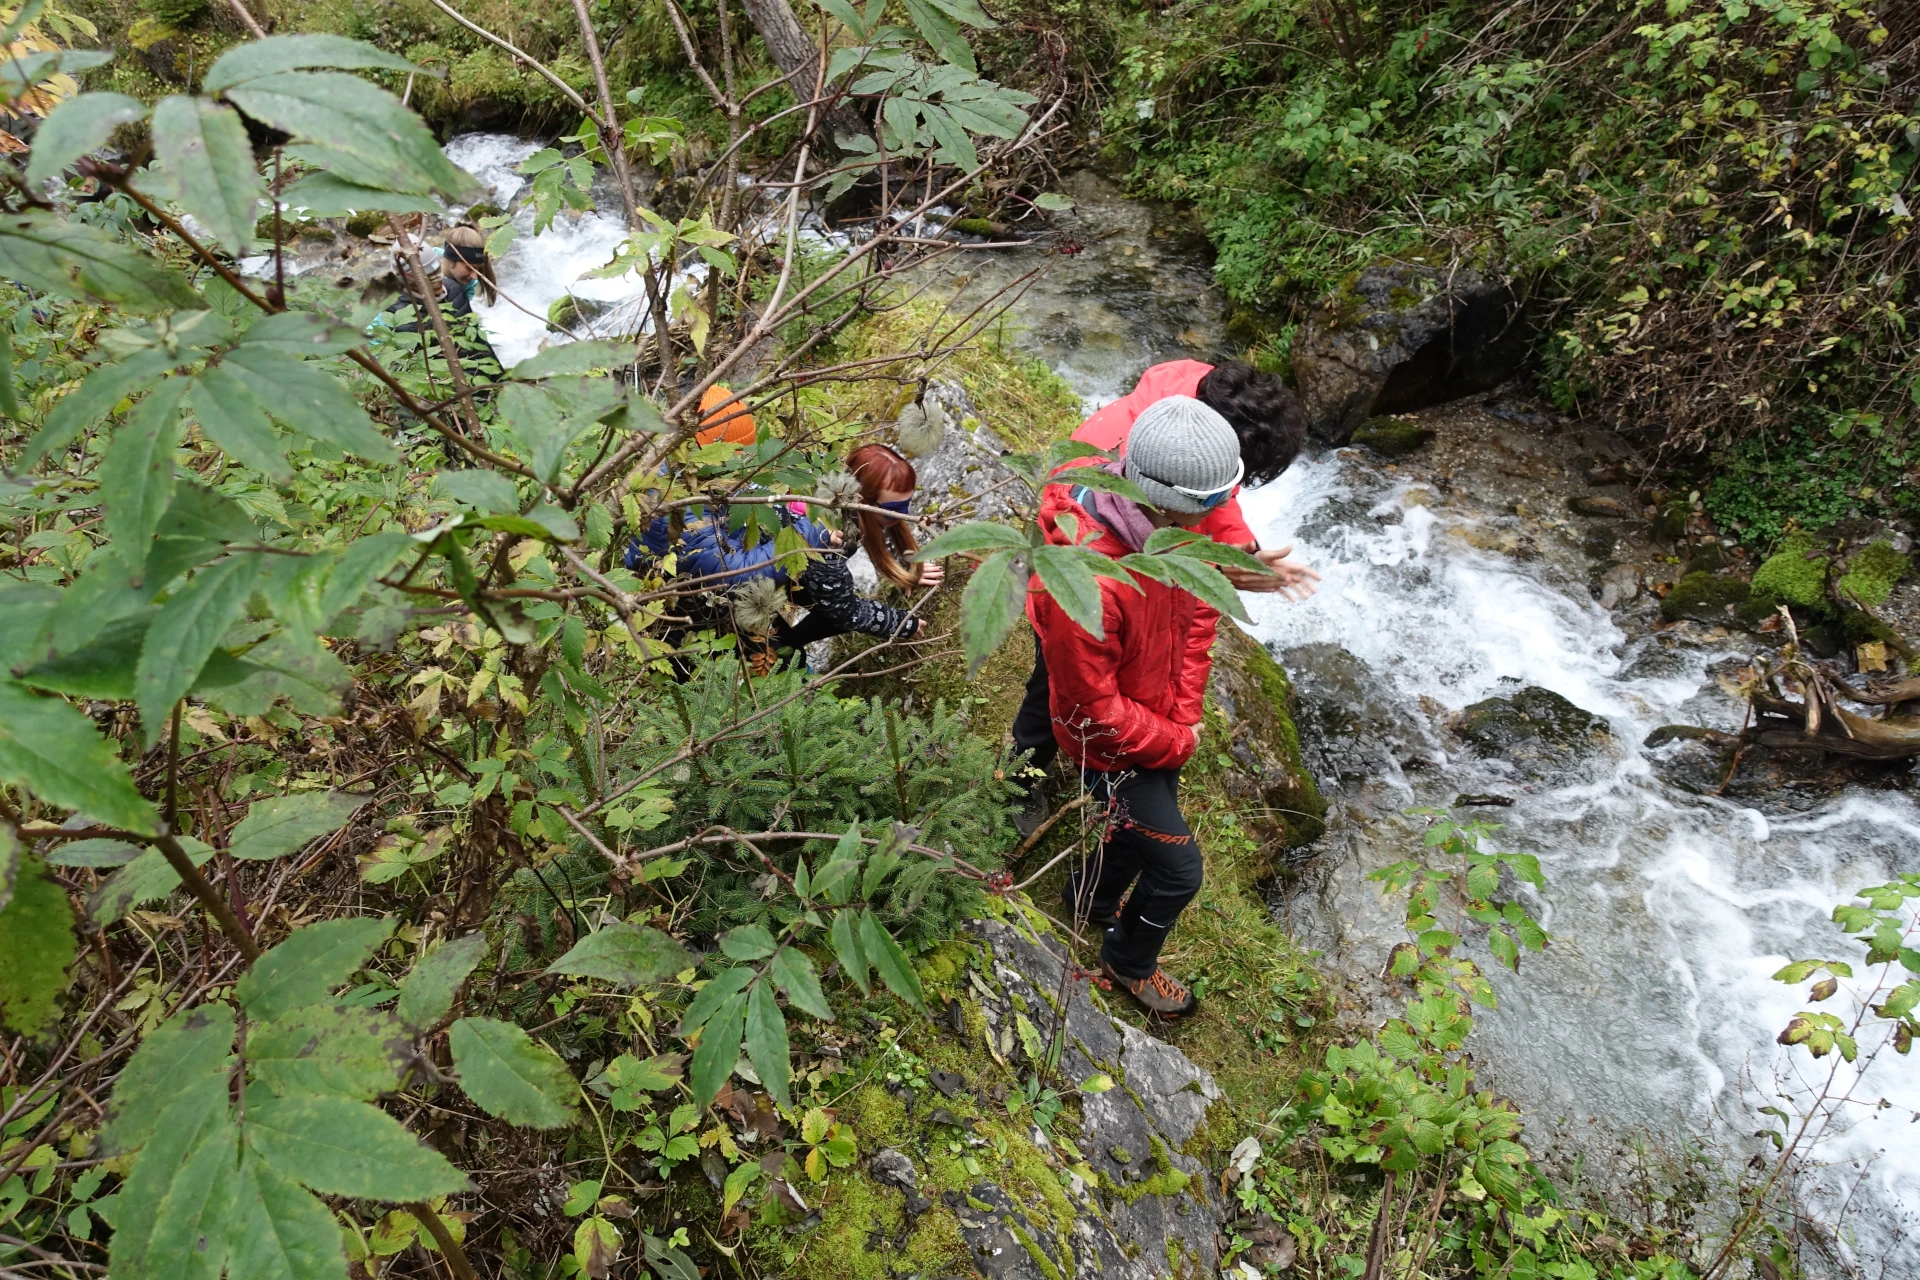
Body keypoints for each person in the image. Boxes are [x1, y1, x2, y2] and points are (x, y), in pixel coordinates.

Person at [1010, 360, 1318, 833]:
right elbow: (1081, 531)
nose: (1231, 490)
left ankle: (1107, 780)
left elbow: (1206, 500)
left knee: (1111, 687)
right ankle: (1020, 783)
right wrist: (1222, 565)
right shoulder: (1110, 461)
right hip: (1076, 587)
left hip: (1137, 581)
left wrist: (1243, 551)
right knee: (1055, 684)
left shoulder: (1207, 405)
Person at [1028, 396, 1240, 1018]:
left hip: (1159, 723)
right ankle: (1128, 962)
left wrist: (1185, 713)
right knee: (1178, 872)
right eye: (1214, 499)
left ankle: (1086, 902)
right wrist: (1176, 742)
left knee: (1128, 825)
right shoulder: (1083, 578)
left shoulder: (1177, 532)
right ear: (1164, 493)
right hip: (1106, 743)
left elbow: (1199, 615)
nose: (1223, 510)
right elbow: (1090, 706)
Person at [626, 439, 943, 666]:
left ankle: (781, 645)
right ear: (863, 499)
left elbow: (884, 526)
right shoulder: (826, 537)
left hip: (757, 572)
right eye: (895, 508)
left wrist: (906, 563)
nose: (904, 515)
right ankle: (781, 652)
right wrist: (897, 623)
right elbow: (844, 610)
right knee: (774, 657)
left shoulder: (826, 489)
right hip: (704, 602)